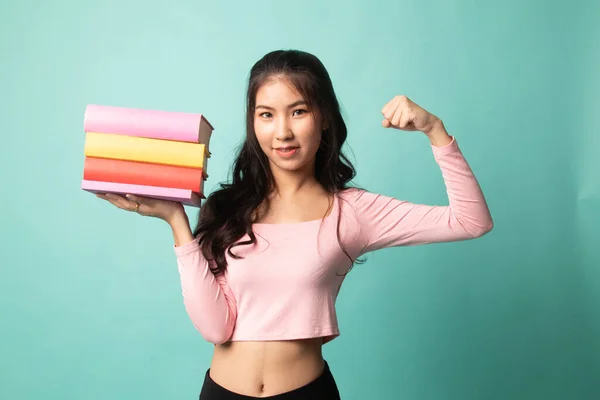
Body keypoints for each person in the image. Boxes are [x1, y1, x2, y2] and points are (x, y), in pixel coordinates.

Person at [97, 49, 493, 399]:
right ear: (253, 123)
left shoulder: (352, 211)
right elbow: (216, 329)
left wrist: (434, 131)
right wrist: (176, 222)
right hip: (221, 393)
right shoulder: (225, 208)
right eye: (266, 115)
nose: (282, 132)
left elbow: (471, 220)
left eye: (298, 111)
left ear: (323, 119)